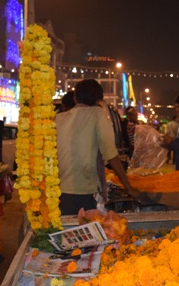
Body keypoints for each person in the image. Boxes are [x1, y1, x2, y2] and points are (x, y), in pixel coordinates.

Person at [55, 79, 139, 215]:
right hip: (83, 189)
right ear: (99, 100)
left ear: (75, 98)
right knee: (83, 231)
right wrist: (128, 187)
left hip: (59, 189)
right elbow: (110, 154)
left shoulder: (59, 118)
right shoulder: (97, 114)